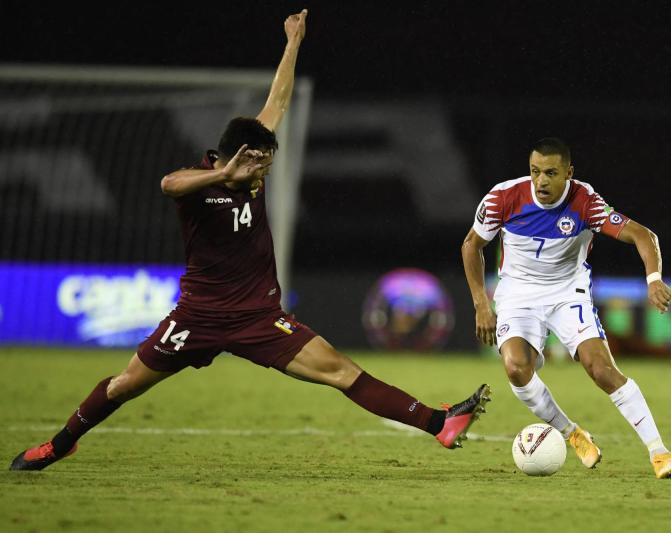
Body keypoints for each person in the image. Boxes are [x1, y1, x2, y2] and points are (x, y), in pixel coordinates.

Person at [10, 9, 490, 472]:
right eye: (260, 163)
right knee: (122, 387)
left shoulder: (253, 164)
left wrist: (293, 43)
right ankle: (58, 445)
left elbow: (278, 102)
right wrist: (223, 173)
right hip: (196, 317)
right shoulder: (201, 184)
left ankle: (439, 423)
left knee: (341, 371)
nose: (265, 172)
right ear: (235, 157)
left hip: (260, 319)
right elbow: (167, 184)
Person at [461, 137, 671, 479]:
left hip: (567, 292)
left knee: (602, 370)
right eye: (535, 172)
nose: (541, 181)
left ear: (568, 172)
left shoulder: (585, 201)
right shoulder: (503, 197)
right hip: (517, 294)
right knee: (517, 367)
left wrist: (653, 279)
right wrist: (481, 304)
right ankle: (572, 434)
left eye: (551, 173)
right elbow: (470, 245)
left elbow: (643, 235)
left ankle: (659, 452)